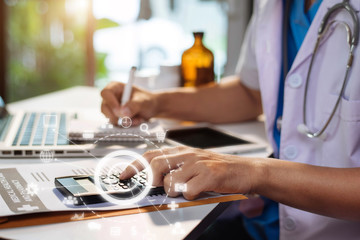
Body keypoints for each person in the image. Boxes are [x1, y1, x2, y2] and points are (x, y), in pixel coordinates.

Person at [100, 0, 360, 239]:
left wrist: (251, 172)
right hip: (264, 223)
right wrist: (156, 101)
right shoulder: (273, 5)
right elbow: (251, 93)